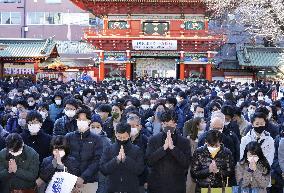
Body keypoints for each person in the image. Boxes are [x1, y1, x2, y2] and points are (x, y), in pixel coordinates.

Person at [146, 110, 191, 193]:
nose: (168, 127)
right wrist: (163, 148)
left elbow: (186, 163)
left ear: (175, 124)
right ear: (162, 124)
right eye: (166, 124)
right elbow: (149, 161)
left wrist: (173, 148)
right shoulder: (153, 140)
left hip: (176, 186)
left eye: (171, 124)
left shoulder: (184, 142)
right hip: (156, 185)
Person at [65, 107, 103, 193]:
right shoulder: (68, 137)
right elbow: (65, 157)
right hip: (70, 181)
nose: (81, 122)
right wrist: (72, 178)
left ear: (89, 121)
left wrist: (83, 177)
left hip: (90, 181)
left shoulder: (96, 139)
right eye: (79, 119)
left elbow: (97, 160)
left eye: (84, 119)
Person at [100, 122, 144, 193]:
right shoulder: (109, 149)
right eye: (119, 137)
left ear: (129, 135)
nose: (122, 140)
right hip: (112, 189)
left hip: (131, 189)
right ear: (115, 134)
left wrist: (126, 160)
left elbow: (140, 170)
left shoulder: (137, 150)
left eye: (125, 137)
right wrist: (116, 160)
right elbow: (103, 170)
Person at [90, 115, 111, 193]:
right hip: (88, 176)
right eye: (92, 127)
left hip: (102, 176)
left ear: (101, 127)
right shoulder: (85, 139)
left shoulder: (107, 141)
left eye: (98, 127)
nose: (95, 129)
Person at [127, 115, 149, 193]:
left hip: (140, 180)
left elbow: (148, 161)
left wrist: (147, 179)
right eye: (129, 126)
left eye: (134, 126)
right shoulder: (122, 139)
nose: (131, 128)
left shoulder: (145, 140)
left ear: (140, 127)